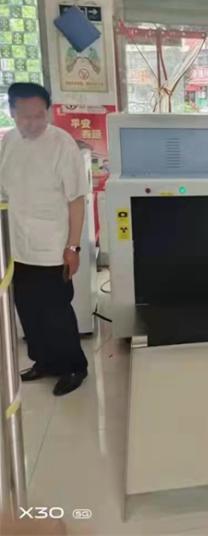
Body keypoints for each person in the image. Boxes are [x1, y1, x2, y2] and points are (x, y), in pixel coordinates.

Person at [0, 83, 88, 396]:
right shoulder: (9, 142)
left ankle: (74, 366)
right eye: (26, 116)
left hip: (53, 246)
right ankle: (45, 361)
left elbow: (76, 200)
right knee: (28, 309)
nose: (34, 122)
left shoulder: (62, 144)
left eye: (40, 115)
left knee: (56, 313)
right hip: (18, 246)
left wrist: (73, 246)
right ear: (12, 112)